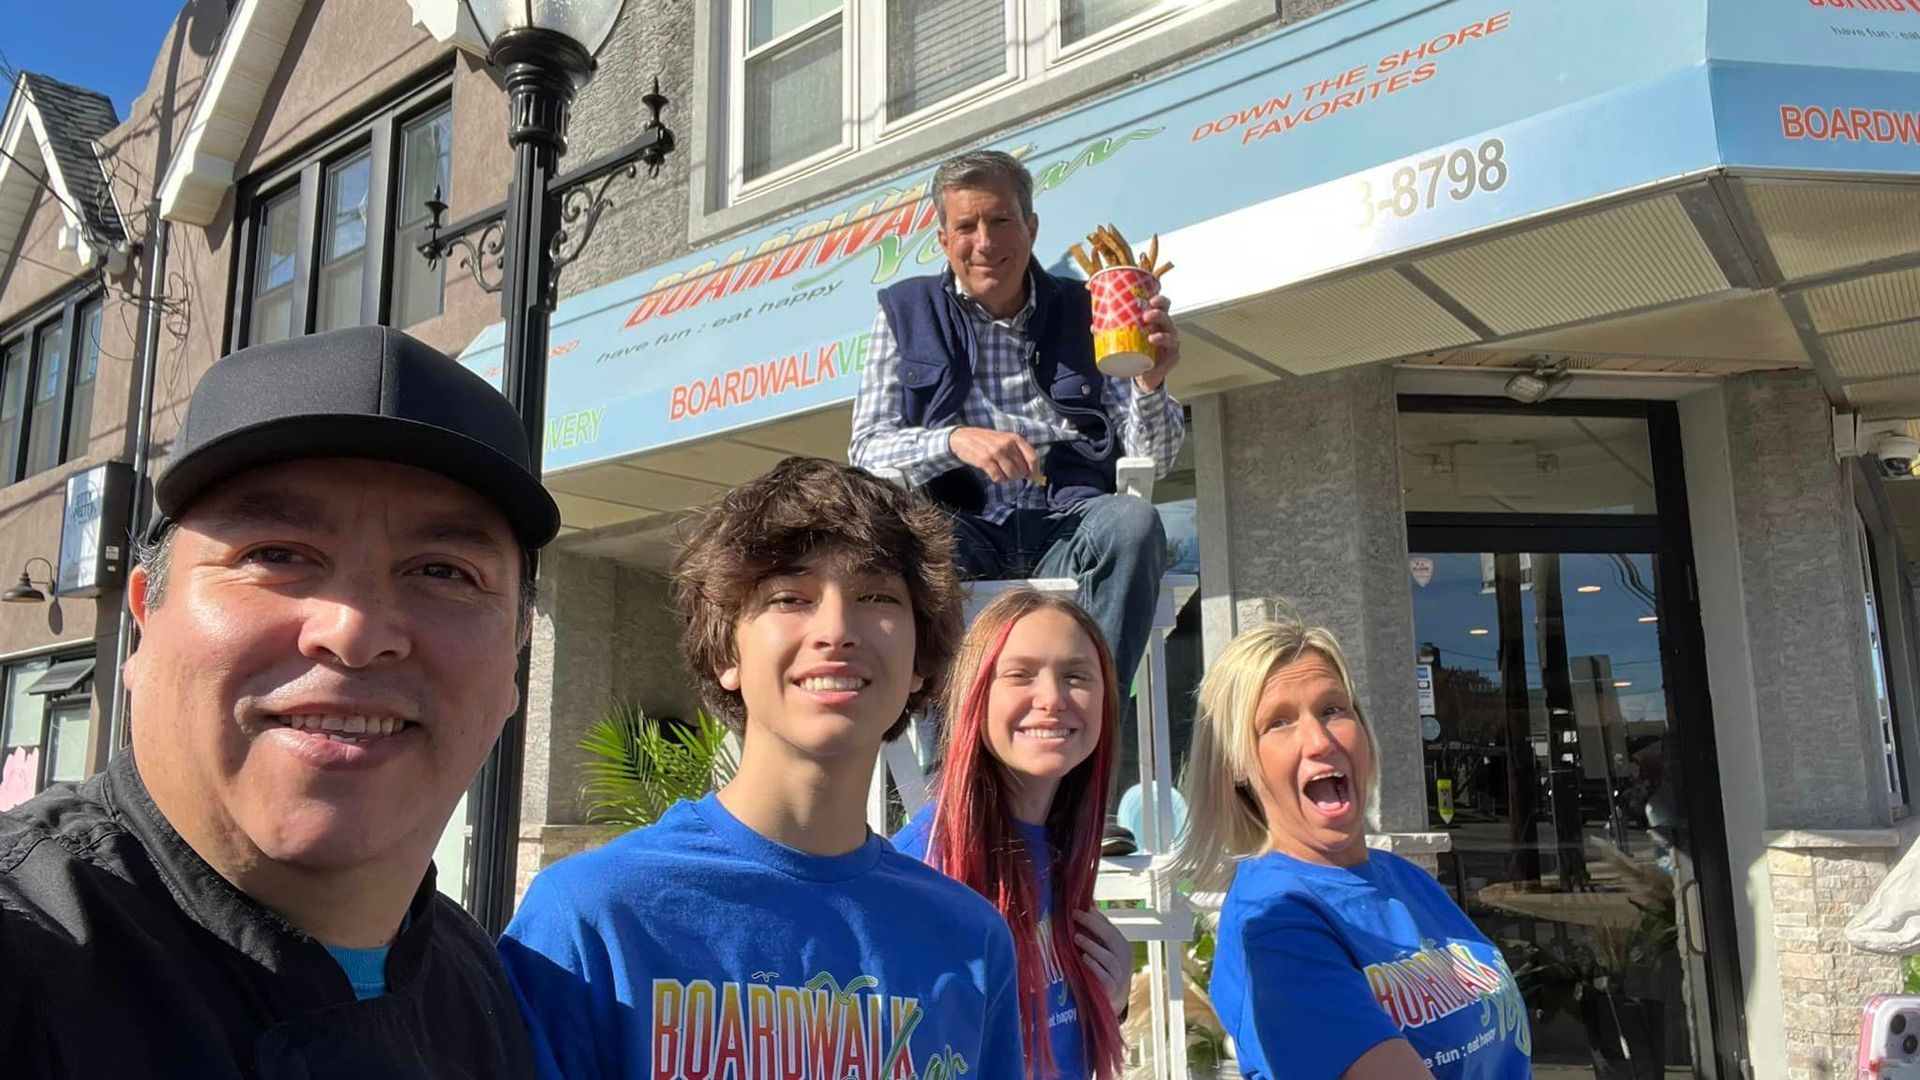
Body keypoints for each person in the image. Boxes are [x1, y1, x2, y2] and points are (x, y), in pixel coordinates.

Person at [0, 326, 553, 1077]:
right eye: (275, 554)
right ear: (144, 619)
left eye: (443, 570)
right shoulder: (32, 954)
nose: (354, 633)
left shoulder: (477, 987)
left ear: (515, 655)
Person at [499, 456, 1026, 1080]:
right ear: (729, 652)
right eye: (790, 598)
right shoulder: (589, 920)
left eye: (877, 595)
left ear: (918, 659)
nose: (835, 630)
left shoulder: (969, 941)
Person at [849, 149, 1184, 687]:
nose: (985, 242)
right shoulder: (903, 312)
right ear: (942, 239)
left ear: (1030, 227)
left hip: (1070, 525)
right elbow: (866, 449)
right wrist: (954, 440)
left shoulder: (1093, 306)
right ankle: (945, 761)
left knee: (1136, 522)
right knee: (905, 539)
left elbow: (1158, 458)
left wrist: (1151, 380)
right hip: (961, 532)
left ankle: (1092, 731)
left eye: (1001, 220)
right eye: (966, 226)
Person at [1176, 621, 1531, 1080]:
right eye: (1278, 722)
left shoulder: (1406, 879)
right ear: (1238, 766)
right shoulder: (1275, 922)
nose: (1321, 740)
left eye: (1333, 709)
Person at [893, 589, 1132, 1079]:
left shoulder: (1063, 848)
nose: (1052, 699)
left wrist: (1114, 1000)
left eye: (1076, 676)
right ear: (975, 697)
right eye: (1020, 675)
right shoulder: (922, 869)